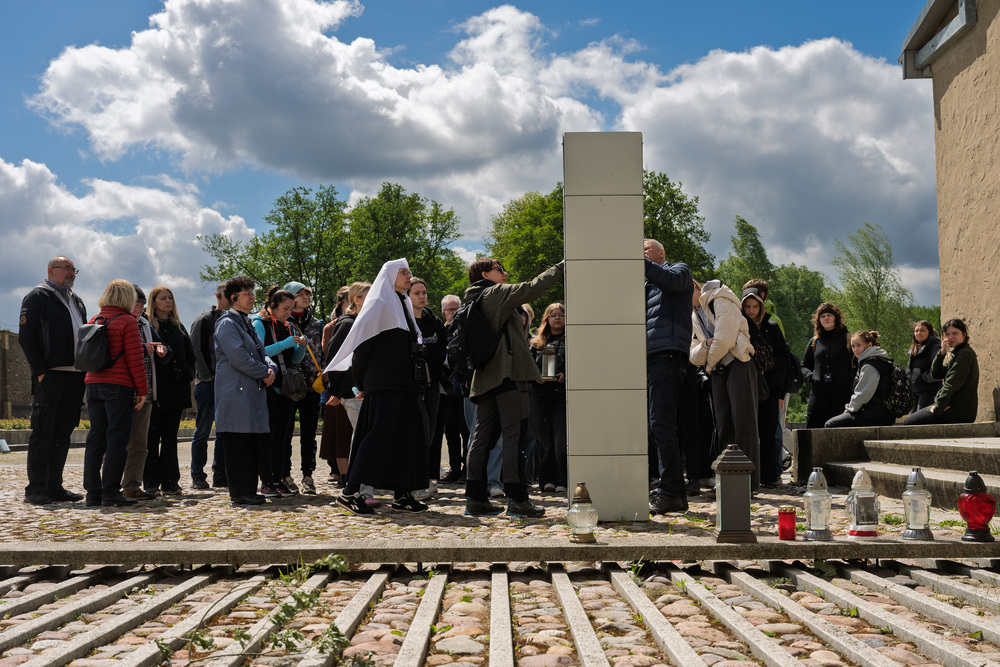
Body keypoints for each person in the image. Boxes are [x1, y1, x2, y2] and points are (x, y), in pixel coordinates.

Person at [463, 258, 565, 518]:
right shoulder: (495, 293)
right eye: (500, 270)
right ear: (485, 274)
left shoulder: (471, 299)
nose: (505, 274)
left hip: (485, 379)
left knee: (481, 439)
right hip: (507, 378)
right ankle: (517, 499)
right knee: (514, 436)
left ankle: (475, 497)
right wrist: (561, 267)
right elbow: (532, 288)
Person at [327, 259, 430, 515]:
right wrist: (361, 384)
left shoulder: (402, 303)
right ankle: (349, 492)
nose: (409, 276)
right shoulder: (379, 303)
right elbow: (362, 349)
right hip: (384, 386)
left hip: (405, 386)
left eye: (409, 272)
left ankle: (403, 493)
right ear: (390, 276)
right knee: (376, 440)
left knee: (409, 439)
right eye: (403, 272)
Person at [18, 256, 88, 505]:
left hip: (75, 375)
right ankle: (36, 489)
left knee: (63, 433)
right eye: (67, 269)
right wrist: (40, 371)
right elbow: (26, 337)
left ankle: (54, 486)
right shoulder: (37, 297)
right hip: (51, 374)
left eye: (73, 269)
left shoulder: (76, 300)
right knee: (42, 432)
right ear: (51, 270)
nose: (71, 273)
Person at [81, 280, 148, 507]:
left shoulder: (94, 319)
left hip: (93, 384)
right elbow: (135, 359)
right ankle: (110, 491)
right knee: (117, 441)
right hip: (118, 386)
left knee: (95, 439)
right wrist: (142, 391)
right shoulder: (127, 322)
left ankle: (92, 492)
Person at [213, 276, 278, 506]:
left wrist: (271, 369)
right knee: (238, 443)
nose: (252, 297)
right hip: (236, 394)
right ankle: (240, 493)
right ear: (233, 298)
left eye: (252, 292)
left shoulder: (246, 322)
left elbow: (263, 352)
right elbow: (239, 356)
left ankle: (249, 490)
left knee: (250, 442)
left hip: (251, 393)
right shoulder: (227, 323)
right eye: (247, 293)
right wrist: (263, 372)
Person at [691, 279, 760, 490]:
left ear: (695, 287)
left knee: (744, 424)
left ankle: (749, 483)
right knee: (723, 426)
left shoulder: (721, 298)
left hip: (737, 363)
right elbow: (693, 354)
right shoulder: (694, 314)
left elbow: (725, 339)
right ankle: (727, 481)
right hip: (719, 370)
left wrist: (709, 362)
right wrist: (705, 345)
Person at [644, 239, 694, 515]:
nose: (640, 255)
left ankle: (671, 492)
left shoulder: (679, 270)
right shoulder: (648, 285)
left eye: (645, 250)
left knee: (662, 425)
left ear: (661, 253)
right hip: (653, 357)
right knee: (660, 425)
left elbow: (671, 282)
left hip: (668, 355)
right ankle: (675, 493)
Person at [250, 287, 307, 497]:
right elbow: (259, 351)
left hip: (286, 388)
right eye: (285, 308)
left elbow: (295, 359)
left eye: (291, 309)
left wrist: (301, 346)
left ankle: (279, 477)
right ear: (271, 306)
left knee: (283, 437)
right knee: (268, 436)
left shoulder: (287, 325)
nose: (289, 313)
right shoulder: (259, 323)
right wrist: (285, 343)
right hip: (268, 387)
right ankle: (266, 480)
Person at [321, 281, 375, 503]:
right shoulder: (347, 323)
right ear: (356, 299)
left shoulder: (363, 322)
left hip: (361, 391)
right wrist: (338, 390)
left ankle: (364, 488)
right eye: (367, 296)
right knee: (362, 439)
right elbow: (335, 358)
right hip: (352, 393)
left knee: (364, 438)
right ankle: (359, 490)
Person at [144, 286, 195, 496]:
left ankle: (171, 481)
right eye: (163, 298)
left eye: (170, 298)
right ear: (153, 302)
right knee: (151, 438)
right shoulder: (147, 326)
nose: (168, 302)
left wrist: (188, 373)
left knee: (170, 438)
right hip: (157, 390)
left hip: (177, 389)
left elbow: (190, 355)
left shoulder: (178, 327)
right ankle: (150, 481)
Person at [741, 282, 789, 487]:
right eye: (748, 307)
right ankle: (750, 475)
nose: (752, 311)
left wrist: (764, 365)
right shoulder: (738, 324)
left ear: (761, 306)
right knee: (748, 431)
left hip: (768, 386)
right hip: (745, 385)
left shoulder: (771, 325)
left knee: (769, 431)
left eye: (755, 307)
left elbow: (784, 358)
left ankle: (770, 476)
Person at [122, 285, 167, 501]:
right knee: (116, 442)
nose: (139, 309)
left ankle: (132, 486)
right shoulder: (120, 321)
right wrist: (142, 348)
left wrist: (163, 349)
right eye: (136, 305)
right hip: (123, 391)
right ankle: (109, 485)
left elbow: (162, 345)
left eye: (142, 306)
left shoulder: (145, 324)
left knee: (141, 444)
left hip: (146, 392)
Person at [409, 278, 448, 501]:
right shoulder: (403, 321)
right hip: (410, 387)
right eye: (416, 293)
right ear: (408, 296)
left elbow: (440, 351)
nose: (422, 296)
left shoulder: (434, 322)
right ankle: (413, 482)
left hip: (432, 384)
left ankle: (425, 478)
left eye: (424, 292)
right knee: (415, 433)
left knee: (430, 434)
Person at [284, 281, 325, 495]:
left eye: (307, 293)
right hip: (290, 385)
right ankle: (285, 474)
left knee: (309, 434)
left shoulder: (316, 323)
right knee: (286, 432)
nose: (305, 297)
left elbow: (321, 351)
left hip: (311, 385)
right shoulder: (282, 321)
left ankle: (308, 475)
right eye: (299, 294)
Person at [189, 283, 229, 489]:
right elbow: (195, 350)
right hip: (208, 384)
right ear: (218, 296)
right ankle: (197, 475)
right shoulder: (204, 320)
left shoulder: (238, 321)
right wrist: (206, 377)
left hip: (227, 385)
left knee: (223, 432)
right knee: (202, 432)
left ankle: (220, 474)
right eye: (227, 295)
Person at [904, 318, 980, 425]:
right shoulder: (958, 354)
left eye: (955, 333)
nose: (950, 337)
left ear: (964, 334)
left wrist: (938, 407)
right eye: (947, 334)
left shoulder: (964, 355)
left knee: (909, 422)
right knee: (910, 421)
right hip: (953, 408)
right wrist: (942, 352)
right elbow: (937, 373)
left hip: (956, 411)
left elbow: (951, 384)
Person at [825, 331, 897, 428]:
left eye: (858, 345)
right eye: (853, 346)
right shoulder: (880, 360)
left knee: (830, 424)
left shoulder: (870, 365)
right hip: (883, 413)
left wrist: (848, 410)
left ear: (869, 344)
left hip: (874, 415)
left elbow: (862, 394)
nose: (855, 349)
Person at [530, 303, 567, 493]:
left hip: (561, 397)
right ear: (547, 318)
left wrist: (565, 374)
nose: (558, 318)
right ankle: (546, 480)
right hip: (540, 396)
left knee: (561, 439)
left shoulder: (572, 340)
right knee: (544, 440)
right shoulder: (536, 343)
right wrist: (536, 376)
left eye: (561, 314)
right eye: (553, 315)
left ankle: (562, 479)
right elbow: (528, 367)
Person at [800, 303, 853, 429]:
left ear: (836, 318)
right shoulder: (815, 341)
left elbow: (857, 365)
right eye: (822, 316)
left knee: (839, 432)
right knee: (812, 430)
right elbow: (804, 365)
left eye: (829, 315)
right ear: (818, 320)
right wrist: (811, 376)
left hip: (842, 395)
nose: (826, 318)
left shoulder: (848, 338)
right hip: (819, 394)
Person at [437, 294, 469, 484]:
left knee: (466, 432)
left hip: (464, 386)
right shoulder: (440, 332)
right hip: (446, 387)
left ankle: (467, 468)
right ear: (444, 313)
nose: (454, 312)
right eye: (450, 309)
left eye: (457, 308)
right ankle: (454, 468)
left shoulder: (466, 331)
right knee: (450, 432)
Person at [906, 320, 943, 411]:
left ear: (929, 332)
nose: (919, 333)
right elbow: (909, 369)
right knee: (910, 422)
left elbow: (937, 370)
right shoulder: (915, 348)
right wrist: (910, 379)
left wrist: (922, 378)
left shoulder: (935, 347)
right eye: (916, 331)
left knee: (919, 422)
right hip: (915, 392)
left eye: (922, 330)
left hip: (929, 391)